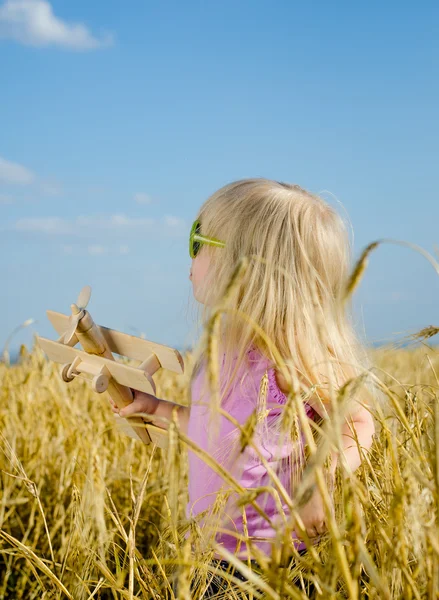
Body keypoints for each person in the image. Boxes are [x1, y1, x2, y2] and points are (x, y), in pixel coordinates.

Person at [110, 179, 377, 597]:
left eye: (197, 241)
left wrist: (319, 479)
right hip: (208, 554)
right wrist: (159, 408)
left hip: (270, 563)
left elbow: (358, 420)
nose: (190, 259)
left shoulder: (288, 356)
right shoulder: (222, 349)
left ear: (244, 264)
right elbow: (217, 432)